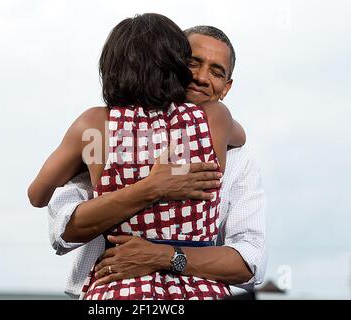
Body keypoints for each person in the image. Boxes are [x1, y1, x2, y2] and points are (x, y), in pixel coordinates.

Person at [28, 14, 247, 300]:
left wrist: (86, 167)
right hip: (200, 288)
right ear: (176, 67)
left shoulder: (93, 124)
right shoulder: (215, 117)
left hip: (120, 285)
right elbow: (241, 137)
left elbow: (37, 195)